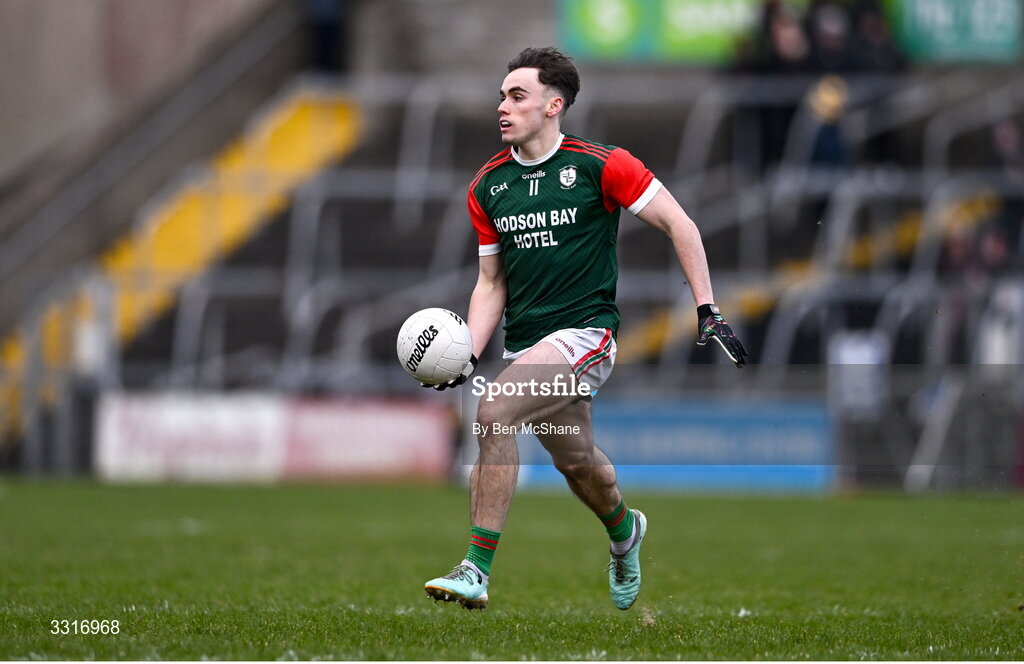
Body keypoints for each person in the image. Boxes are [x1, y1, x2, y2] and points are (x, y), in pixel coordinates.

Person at [422, 47, 747, 611]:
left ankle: (476, 568)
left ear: (554, 105)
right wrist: (468, 354)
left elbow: (680, 223)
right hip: (528, 343)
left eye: (516, 96)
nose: (503, 106)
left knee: (494, 411)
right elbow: (491, 283)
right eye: (501, 95)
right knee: (580, 467)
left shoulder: (602, 164)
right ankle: (626, 532)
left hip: (585, 335)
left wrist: (707, 309)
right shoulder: (487, 186)